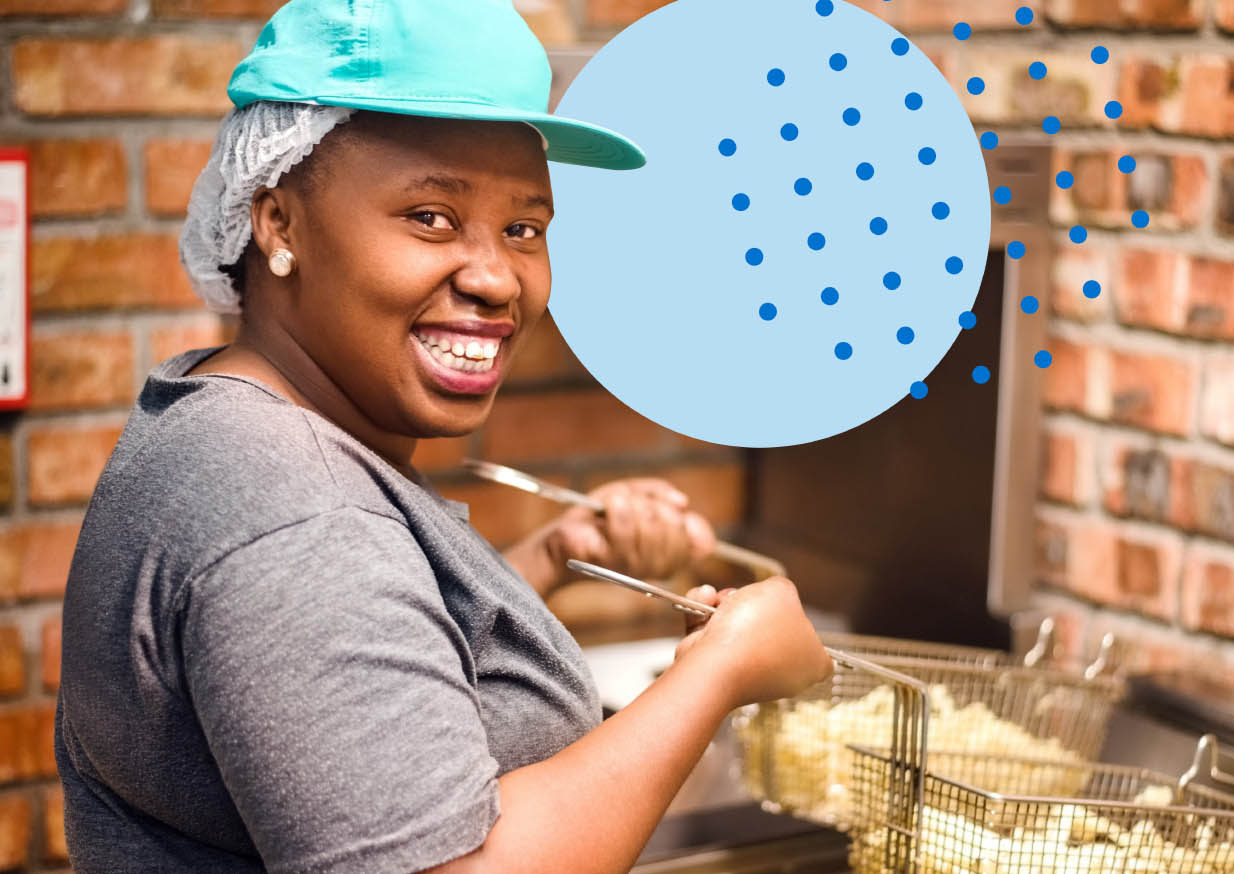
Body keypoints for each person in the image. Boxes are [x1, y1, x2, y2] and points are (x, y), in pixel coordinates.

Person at [54, 1, 833, 872]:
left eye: (523, 229)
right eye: (430, 216)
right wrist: (718, 673)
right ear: (277, 223)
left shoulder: (228, 418)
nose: (497, 278)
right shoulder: (296, 519)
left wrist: (545, 558)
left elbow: (349, 658)